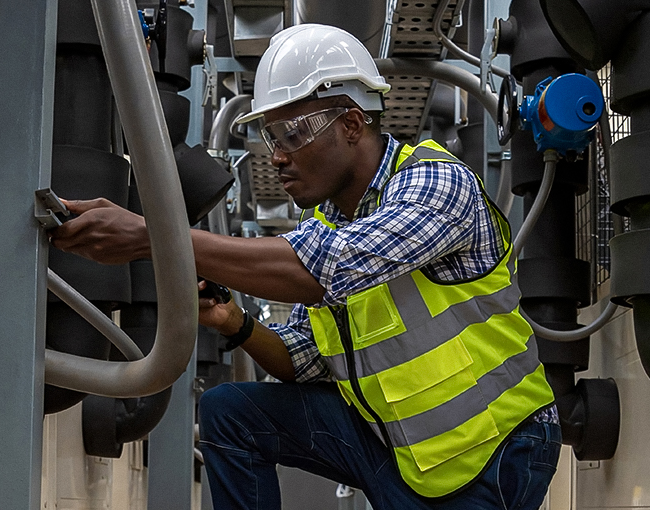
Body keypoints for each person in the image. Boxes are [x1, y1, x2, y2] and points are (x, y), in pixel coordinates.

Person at [51, 23, 561, 510]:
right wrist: (236, 323)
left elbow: (327, 272)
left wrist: (150, 237)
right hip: (400, 445)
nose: (276, 157)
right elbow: (301, 362)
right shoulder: (324, 223)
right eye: (271, 138)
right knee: (230, 413)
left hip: (497, 447)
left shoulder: (435, 183)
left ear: (352, 123)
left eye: (292, 133)